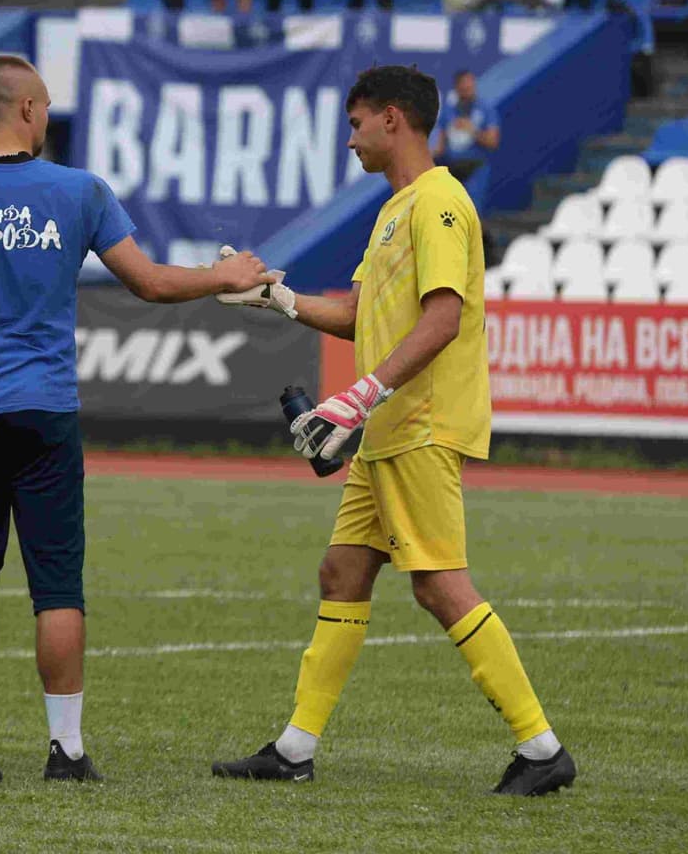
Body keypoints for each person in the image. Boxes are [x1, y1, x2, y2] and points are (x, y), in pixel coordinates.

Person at [0, 54, 276, 786]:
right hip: (44, 412)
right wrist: (227, 276)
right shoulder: (78, 191)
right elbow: (150, 284)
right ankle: (65, 749)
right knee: (56, 584)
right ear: (27, 110)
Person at [207, 64, 575, 796]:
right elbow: (358, 313)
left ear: (392, 121)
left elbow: (444, 316)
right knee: (342, 570)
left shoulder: (438, 203)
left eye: (355, 124)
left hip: (420, 422)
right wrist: (276, 298)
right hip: (388, 428)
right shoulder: (396, 209)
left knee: (440, 586)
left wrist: (362, 393)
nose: (350, 140)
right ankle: (295, 747)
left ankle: (542, 751)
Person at [433, 69, 501, 182]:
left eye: (470, 85)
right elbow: (440, 146)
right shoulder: (448, 111)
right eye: (464, 86)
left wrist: (472, 130)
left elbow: (493, 142)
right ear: (457, 88)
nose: (468, 89)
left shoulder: (485, 109)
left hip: (475, 166)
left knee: (473, 199)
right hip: (451, 166)